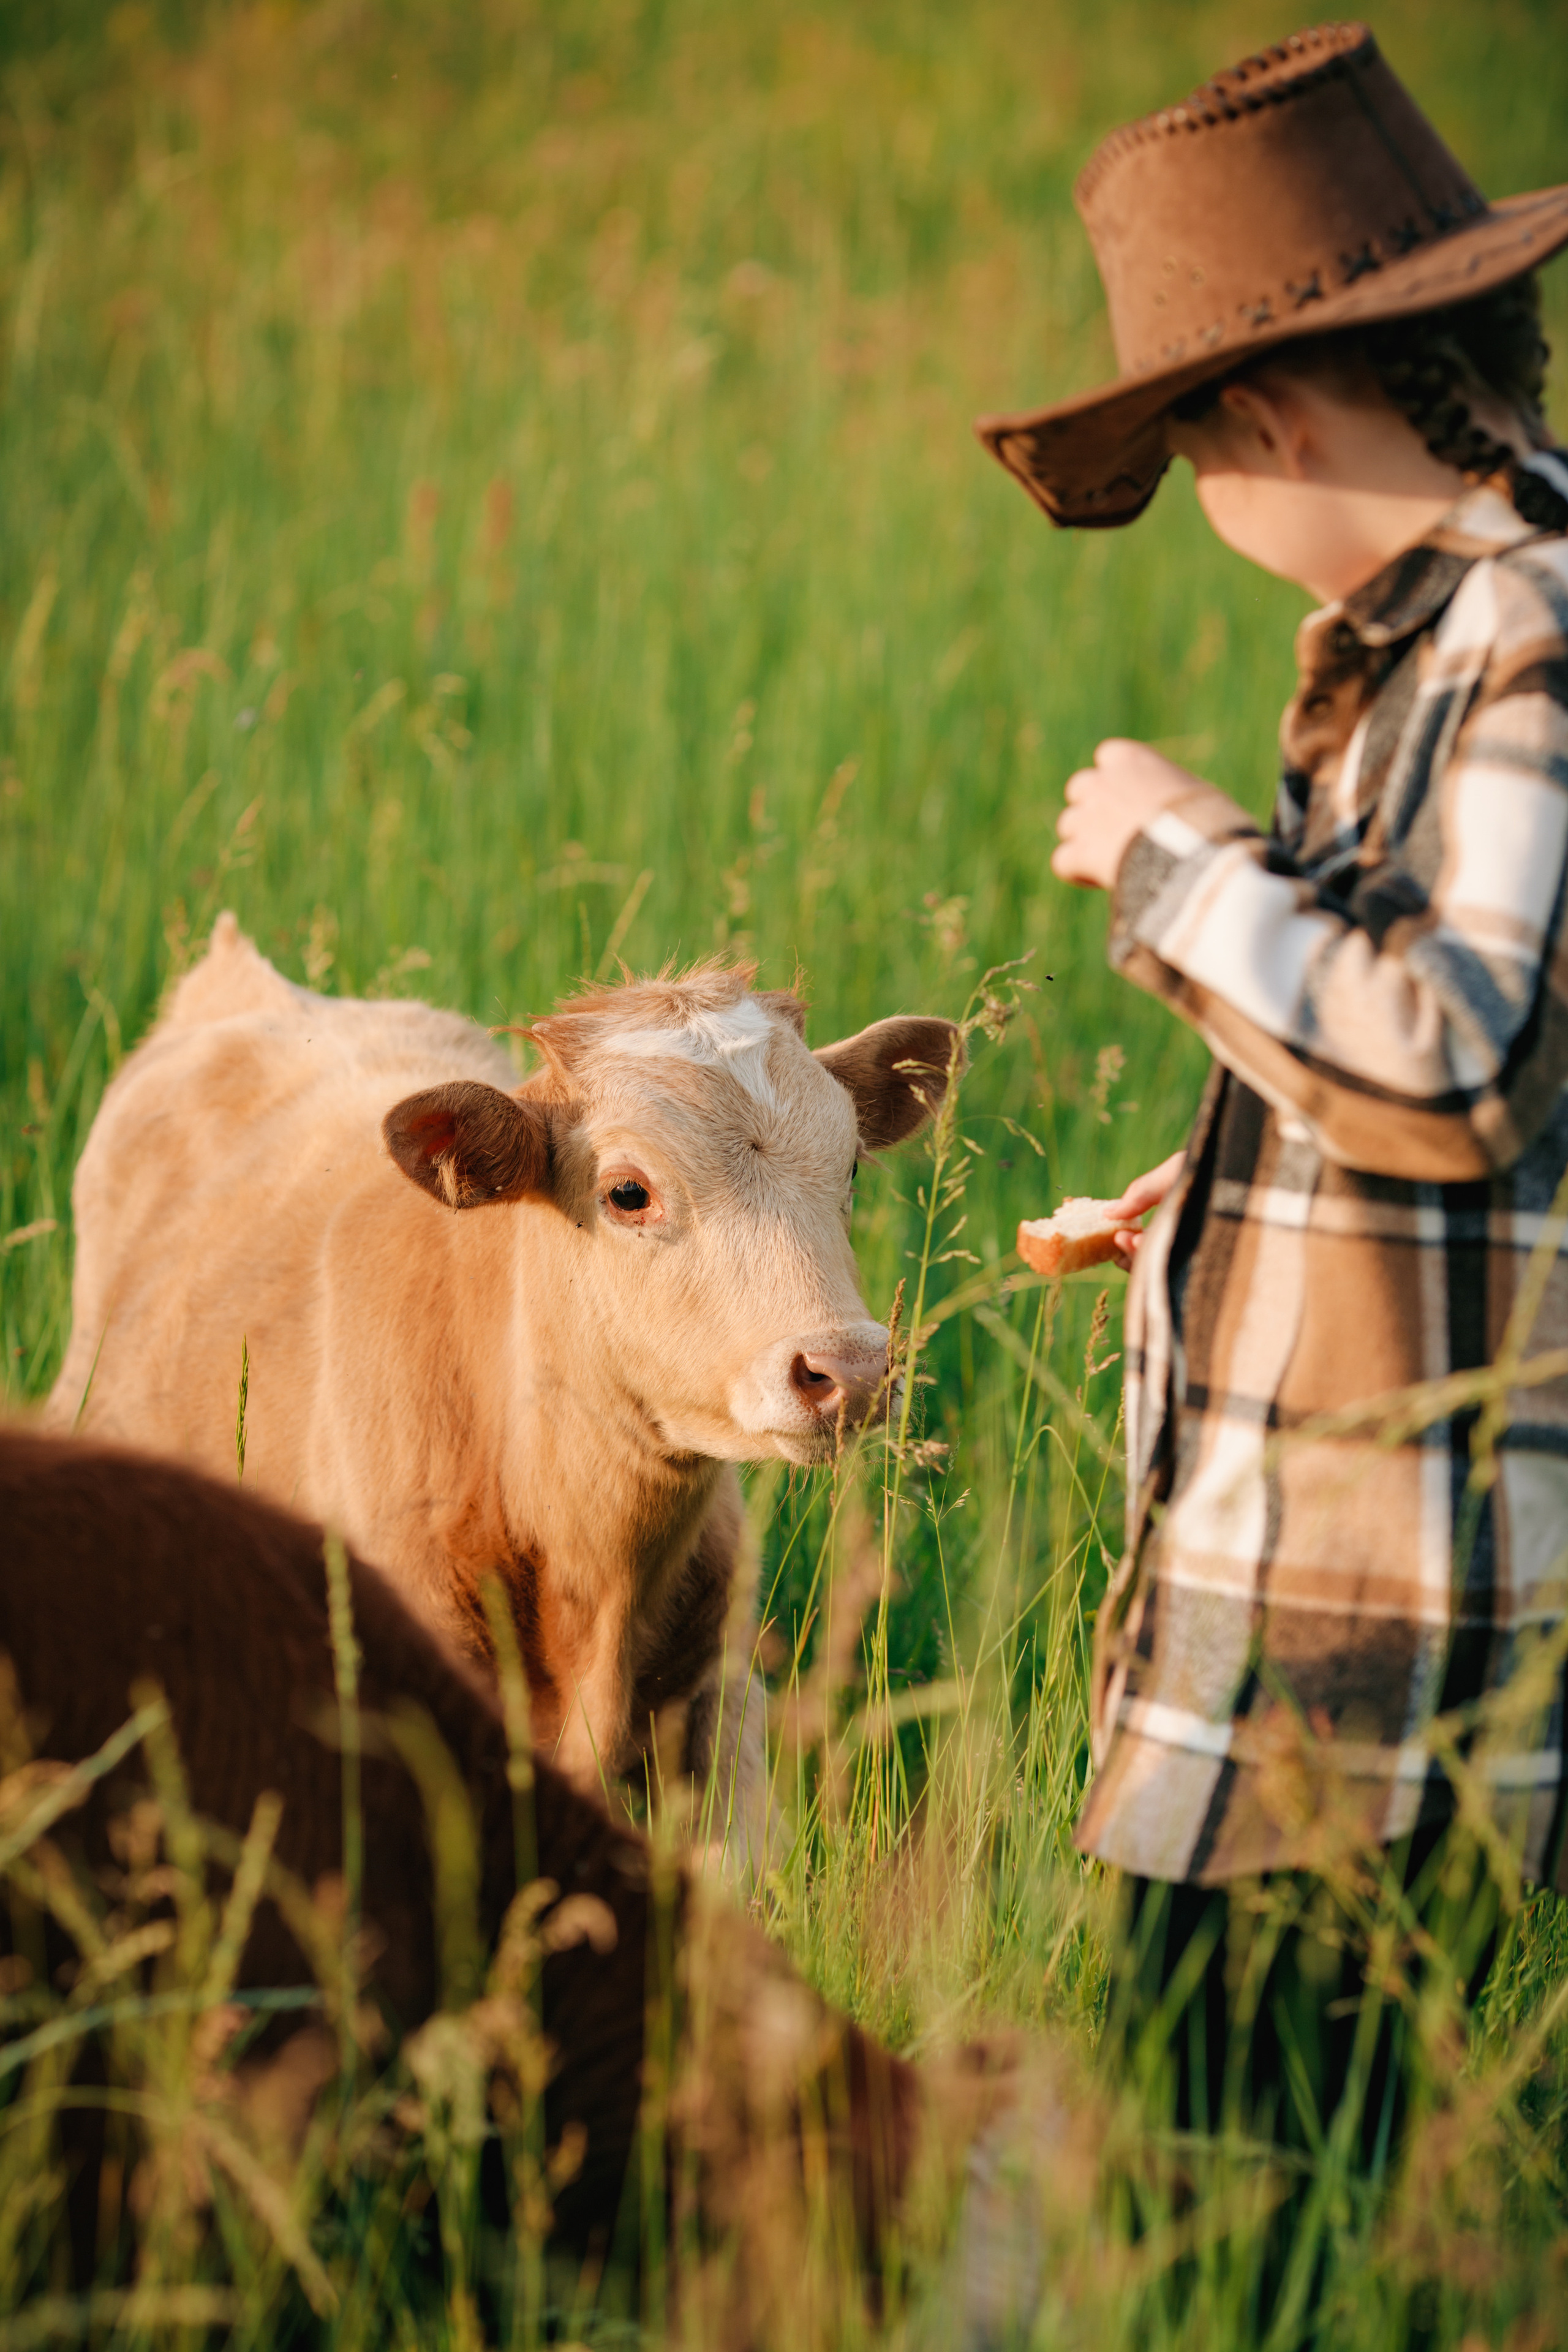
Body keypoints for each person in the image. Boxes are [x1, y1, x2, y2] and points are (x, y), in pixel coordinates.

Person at [978, 15, 1568, 2259]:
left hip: (1369, 1647)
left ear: (1269, 413)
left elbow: (1451, 1063)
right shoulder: (1445, 645)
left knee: (1255, 2205)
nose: (1223, 526)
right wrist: (1223, 1188)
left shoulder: (1525, 646)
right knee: (1254, 2183)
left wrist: (1177, 861)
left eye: (1199, 465)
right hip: (1334, 1611)